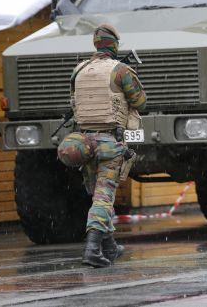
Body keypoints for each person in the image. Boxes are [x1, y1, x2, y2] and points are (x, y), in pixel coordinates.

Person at [57, 24, 146, 268]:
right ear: (114, 45)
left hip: (84, 141)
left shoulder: (79, 70)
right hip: (110, 143)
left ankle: (109, 246)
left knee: (96, 195)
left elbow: (75, 103)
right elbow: (140, 101)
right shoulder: (120, 70)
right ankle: (92, 250)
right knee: (103, 197)